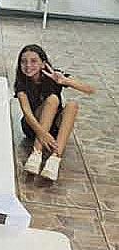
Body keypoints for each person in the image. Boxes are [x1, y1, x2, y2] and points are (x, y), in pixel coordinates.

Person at [15, 44, 95, 181]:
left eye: (33, 61)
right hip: (33, 126)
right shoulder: (21, 83)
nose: (28, 65)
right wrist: (42, 133)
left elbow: (90, 90)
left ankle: (55, 158)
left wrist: (65, 80)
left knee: (72, 105)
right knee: (53, 99)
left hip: (53, 127)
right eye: (23, 61)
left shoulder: (54, 75)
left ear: (43, 64)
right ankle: (36, 153)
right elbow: (27, 114)